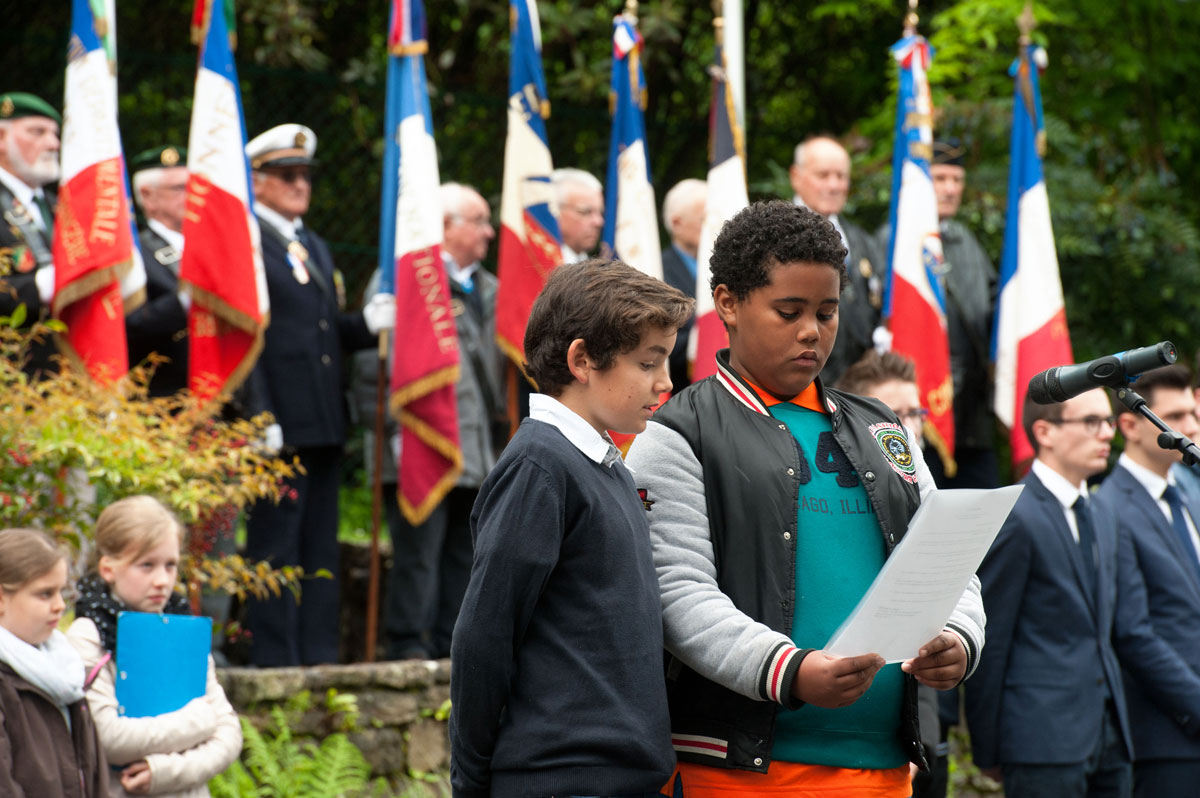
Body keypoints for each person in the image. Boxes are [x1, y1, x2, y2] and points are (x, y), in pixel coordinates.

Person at [625, 201, 984, 798]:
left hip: (884, 771)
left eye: (826, 311)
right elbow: (676, 594)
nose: (812, 331)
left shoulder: (883, 427)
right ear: (729, 303)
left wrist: (958, 639)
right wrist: (789, 671)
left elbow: (948, 560)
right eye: (789, 312)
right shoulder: (676, 432)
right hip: (736, 774)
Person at [450, 258, 693, 798]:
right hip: (560, 776)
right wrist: (470, 780)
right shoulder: (540, 466)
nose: (666, 380)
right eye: (648, 362)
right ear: (582, 359)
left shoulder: (602, 464)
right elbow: (485, 635)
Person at [241, 123, 394, 666]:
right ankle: (274, 659)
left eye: (304, 175)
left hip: (324, 420)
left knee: (319, 548)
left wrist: (363, 325)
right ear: (255, 180)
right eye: (286, 175)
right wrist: (257, 413)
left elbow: (322, 332)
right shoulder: (245, 241)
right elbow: (246, 337)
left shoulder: (313, 244)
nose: (300, 184)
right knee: (276, 545)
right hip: (277, 420)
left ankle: (319, 653)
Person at [354, 182, 505, 661]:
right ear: (445, 226)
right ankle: (408, 643)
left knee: (465, 549)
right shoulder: (402, 277)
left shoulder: (489, 288)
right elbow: (370, 365)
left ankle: (450, 644)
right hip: (420, 441)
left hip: (475, 445)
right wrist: (389, 433)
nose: (488, 232)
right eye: (478, 221)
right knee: (418, 550)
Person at [964, 390, 1134, 798]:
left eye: (1109, 422)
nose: (1107, 435)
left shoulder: (1099, 511)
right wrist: (988, 748)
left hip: (1109, 735)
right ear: (1045, 432)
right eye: (1091, 422)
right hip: (1042, 741)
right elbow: (992, 640)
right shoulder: (1016, 516)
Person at [67, 496, 242, 798]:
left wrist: (163, 772)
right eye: (146, 565)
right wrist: (200, 719)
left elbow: (229, 736)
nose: (162, 580)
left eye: (170, 565)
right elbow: (107, 737)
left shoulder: (182, 629)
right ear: (108, 568)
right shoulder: (88, 636)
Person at [836, 351, 946, 797]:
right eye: (891, 416)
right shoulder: (838, 509)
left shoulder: (929, 498)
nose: (908, 427)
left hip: (925, 733)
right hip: (858, 741)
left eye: (913, 413)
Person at [1098, 365, 1200, 797]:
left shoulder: (1190, 496)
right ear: (1130, 425)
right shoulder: (1109, 507)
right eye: (1176, 417)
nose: (1191, 427)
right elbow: (1133, 632)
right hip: (1166, 737)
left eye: (1193, 414)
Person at [0, 527, 109, 798]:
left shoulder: (66, 671)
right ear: (1, 598)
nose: (60, 605)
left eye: (61, 592)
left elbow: (94, 774)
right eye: (45, 594)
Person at [925, 138, 998, 490]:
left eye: (957, 180)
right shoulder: (889, 241)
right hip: (923, 418)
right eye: (941, 178)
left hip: (973, 419)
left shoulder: (968, 243)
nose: (951, 189)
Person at [788, 136, 886, 384]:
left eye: (841, 176)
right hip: (802, 383)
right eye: (823, 175)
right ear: (796, 176)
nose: (834, 185)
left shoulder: (862, 240)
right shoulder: (776, 236)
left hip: (860, 386)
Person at [0, 92, 62, 375]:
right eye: (37, 132)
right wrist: (42, 285)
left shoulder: (60, 207)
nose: (53, 143)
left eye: (54, 134)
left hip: (63, 374)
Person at [660, 178, 707, 394]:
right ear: (677, 223)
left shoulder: (722, 267)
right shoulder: (658, 271)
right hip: (680, 390)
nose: (713, 227)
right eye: (704, 219)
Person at [551, 167, 604, 263]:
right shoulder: (535, 269)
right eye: (585, 212)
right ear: (555, 211)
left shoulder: (589, 267)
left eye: (600, 212)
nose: (598, 222)